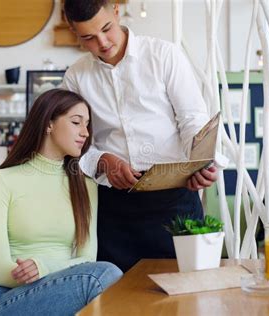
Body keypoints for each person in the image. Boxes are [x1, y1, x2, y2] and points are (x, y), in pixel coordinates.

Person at [62, 0, 220, 272]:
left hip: (176, 199)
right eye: (88, 37)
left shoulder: (164, 55)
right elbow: (71, 143)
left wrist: (200, 161)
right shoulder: (76, 77)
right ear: (73, 32)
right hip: (115, 209)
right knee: (116, 299)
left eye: (106, 29)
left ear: (115, 10)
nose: (102, 43)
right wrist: (103, 161)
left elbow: (192, 119)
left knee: (183, 298)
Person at [0, 89, 122, 316]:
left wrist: (45, 268)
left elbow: (87, 258)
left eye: (87, 125)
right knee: (106, 275)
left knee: (108, 278)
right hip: (8, 300)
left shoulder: (85, 185)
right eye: (76, 122)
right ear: (48, 124)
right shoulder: (2, 181)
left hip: (64, 289)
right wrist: (38, 272)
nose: (85, 133)